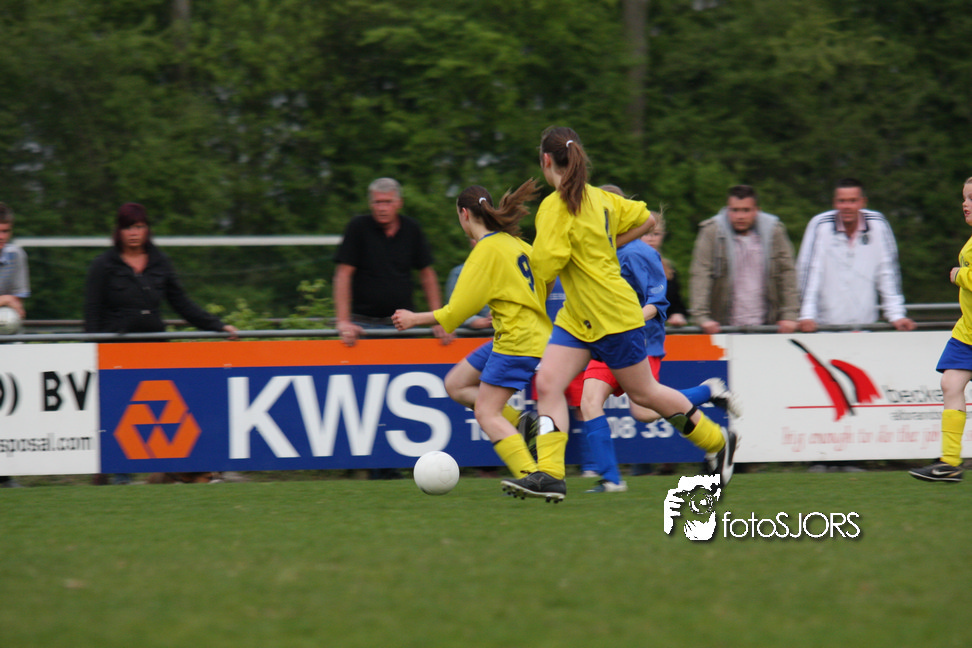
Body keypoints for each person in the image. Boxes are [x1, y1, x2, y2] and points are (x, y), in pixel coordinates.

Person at [501, 126, 738, 503]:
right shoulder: (601, 199)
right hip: (578, 317)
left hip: (612, 316)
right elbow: (647, 220)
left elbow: (543, 270)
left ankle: (717, 441)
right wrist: (608, 244)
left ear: (545, 160)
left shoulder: (555, 208)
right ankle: (550, 474)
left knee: (646, 396)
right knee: (547, 383)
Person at [579, 199, 741, 493]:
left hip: (638, 343)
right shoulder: (600, 252)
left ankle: (707, 394)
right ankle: (611, 479)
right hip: (606, 342)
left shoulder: (637, 253)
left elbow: (658, 302)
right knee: (589, 401)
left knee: (643, 411)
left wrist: (629, 322)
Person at [392, 180, 548, 483]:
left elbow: (455, 312)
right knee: (456, 384)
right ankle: (524, 424)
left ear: (464, 214)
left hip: (517, 339)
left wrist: (413, 318)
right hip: (524, 334)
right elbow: (546, 278)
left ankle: (532, 476)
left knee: (487, 413)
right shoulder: (515, 243)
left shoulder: (484, 251)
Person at [84, 202, 238, 485]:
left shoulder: (160, 262)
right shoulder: (103, 265)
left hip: (156, 351)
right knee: (119, 413)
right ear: (118, 231)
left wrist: (217, 326)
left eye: (139, 227)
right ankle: (119, 476)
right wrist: (93, 352)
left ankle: (174, 469)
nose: (134, 233)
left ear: (147, 229)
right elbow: (91, 313)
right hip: (116, 354)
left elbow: (182, 303)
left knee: (166, 407)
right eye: (128, 227)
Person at [334, 177, 452, 347]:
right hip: (363, 325)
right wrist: (343, 321)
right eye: (377, 202)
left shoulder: (412, 229)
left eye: (388, 202)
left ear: (399, 203)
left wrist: (437, 319)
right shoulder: (358, 227)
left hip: (403, 325)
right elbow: (343, 274)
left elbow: (427, 275)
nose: (382, 208)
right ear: (370, 204)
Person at [909, 177, 972, 482]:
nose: (965, 204)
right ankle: (950, 463)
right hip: (967, 333)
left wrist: (960, 275)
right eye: (965, 198)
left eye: (971, 199)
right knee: (950, 384)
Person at [797, 178, 916, 332]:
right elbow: (809, 273)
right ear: (834, 203)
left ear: (863, 202)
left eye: (852, 201)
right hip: (825, 327)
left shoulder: (878, 224)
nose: (847, 206)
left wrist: (897, 315)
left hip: (865, 327)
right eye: (842, 201)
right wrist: (806, 315)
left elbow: (888, 273)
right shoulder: (820, 225)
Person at [689, 185, 799, 334]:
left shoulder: (774, 231)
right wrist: (701, 317)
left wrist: (790, 315)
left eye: (746, 210)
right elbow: (700, 274)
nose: (740, 216)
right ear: (727, 210)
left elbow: (787, 273)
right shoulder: (712, 232)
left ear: (757, 211)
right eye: (735, 210)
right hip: (723, 326)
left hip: (768, 325)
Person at [0, 203, 29, 488]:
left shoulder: (16, 256)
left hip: (6, 346)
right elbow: (9, 300)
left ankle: (5, 474)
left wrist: (10, 304)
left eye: (5, 230)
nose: (1, 236)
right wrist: (4, 300)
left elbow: (17, 305)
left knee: (6, 411)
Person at [642, 217, 687, 327]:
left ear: (663, 236)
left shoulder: (669, 269)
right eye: (646, 233)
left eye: (656, 234)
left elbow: (676, 303)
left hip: (658, 330)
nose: (651, 238)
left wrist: (677, 314)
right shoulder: (626, 263)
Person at [444, 239, 493, 331]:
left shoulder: (514, 269)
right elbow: (454, 311)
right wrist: (474, 321)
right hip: (475, 335)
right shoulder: (459, 273)